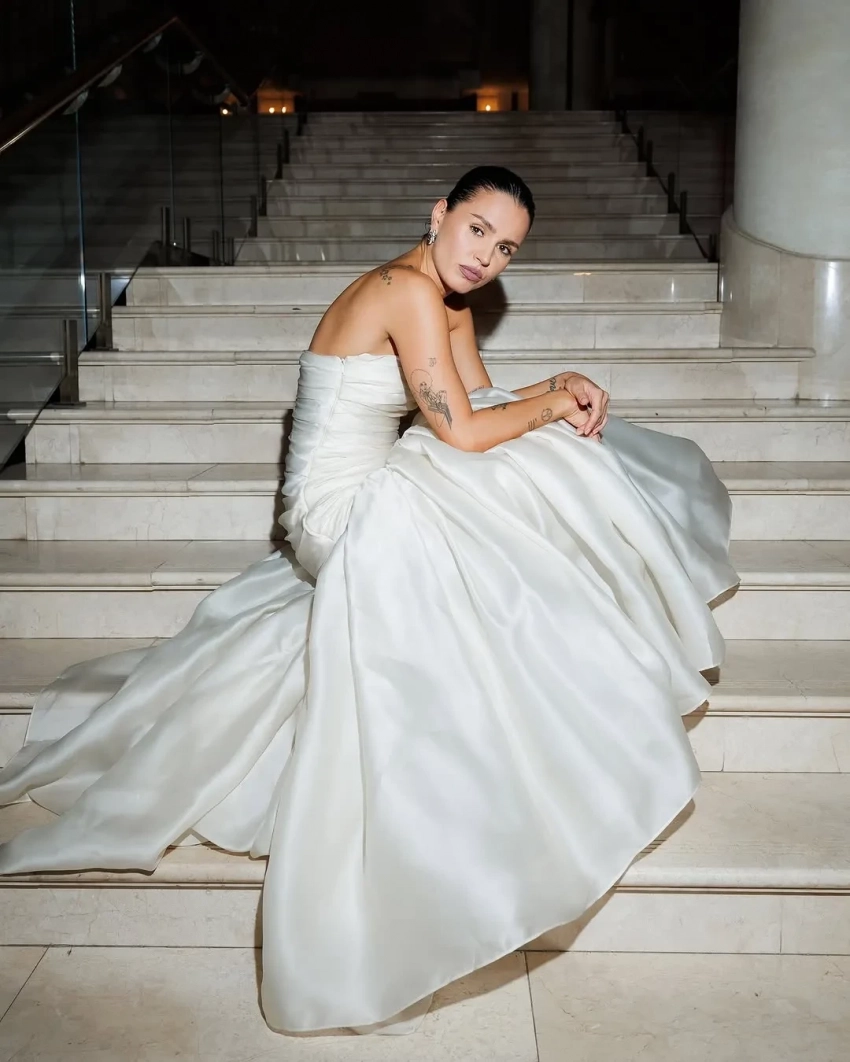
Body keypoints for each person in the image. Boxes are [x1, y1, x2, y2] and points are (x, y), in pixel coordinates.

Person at [0, 166, 737, 1035]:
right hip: (332, 510)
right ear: (440, 213)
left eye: (506, 249)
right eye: (476, 230)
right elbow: (463, 432)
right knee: (502, 473)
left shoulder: (448, 300)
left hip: (380, 480)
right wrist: (551, 404)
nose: (486, 257)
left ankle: (551, 649)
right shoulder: (404, 291)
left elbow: (482, 401)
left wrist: (555, 387)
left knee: (537, 460)